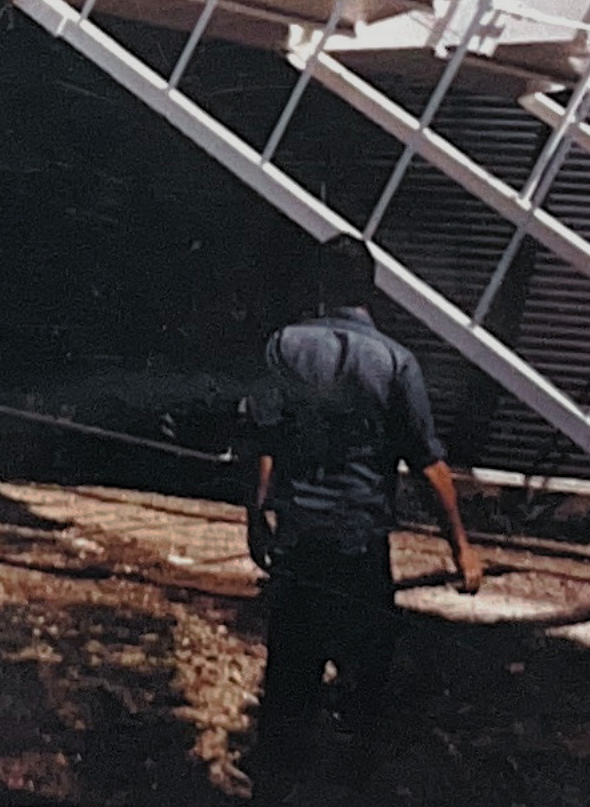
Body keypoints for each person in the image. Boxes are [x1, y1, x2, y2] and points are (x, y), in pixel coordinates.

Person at [244, 235, 483, 802]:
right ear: (370, 290)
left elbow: (266, 441)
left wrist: (257, 519)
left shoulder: (284, 347)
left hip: (301, 543)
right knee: (365, 689)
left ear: (321, 286)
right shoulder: (396, 363)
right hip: (360, 545)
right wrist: (461, 548)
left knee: (287, 692)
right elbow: (429, 465)